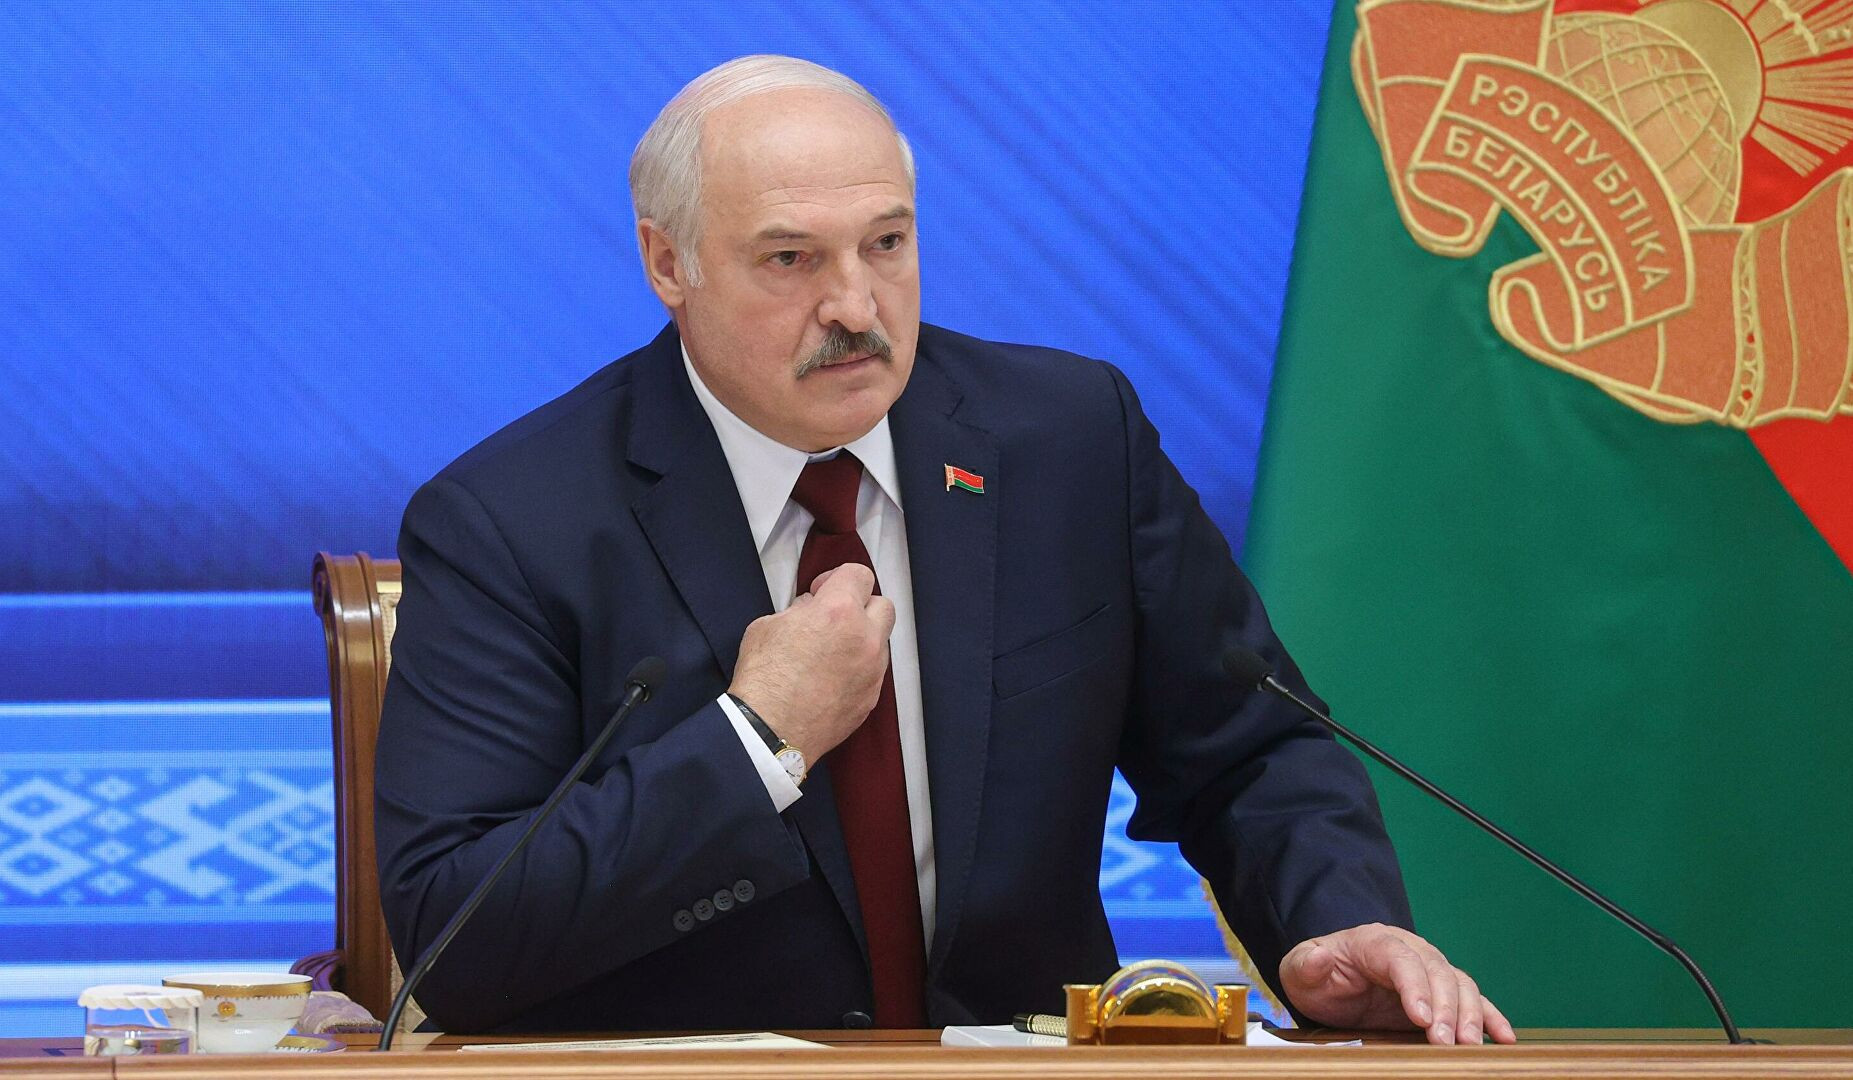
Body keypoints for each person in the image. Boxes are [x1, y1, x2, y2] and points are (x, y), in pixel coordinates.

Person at [374, 54, 1514, 1045]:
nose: (855, 305)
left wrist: (1330, 919)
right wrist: (757, 739)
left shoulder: (1070, 442)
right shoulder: (511, 521)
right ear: (669, 265)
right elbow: (455, 941)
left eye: (887, 243)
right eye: (790, 260)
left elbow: (1250, 748)